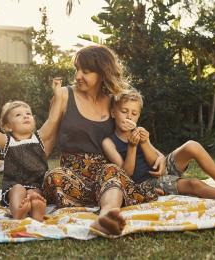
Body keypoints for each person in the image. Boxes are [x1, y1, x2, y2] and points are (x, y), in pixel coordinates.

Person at [42, 45, 164, 235]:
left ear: (102, 73)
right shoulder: (64, 95)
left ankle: (106, 216)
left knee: (112, 171)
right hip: (71, 179)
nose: (77, 76)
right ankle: (120, 196)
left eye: (86, 71)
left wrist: (159, 155)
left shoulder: (114, 102)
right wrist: (28, 177)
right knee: (53, 175)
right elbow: (47, 141)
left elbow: (132, 134)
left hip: (106, 176)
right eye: (77, 69)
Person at [102, 88, 215, 200]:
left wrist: (147, 143)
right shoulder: (109, 142)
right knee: (194, 184)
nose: (129, 116)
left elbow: (157, 158)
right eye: (124, 111)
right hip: (146, 181)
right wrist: (133, 147)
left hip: (159, 169)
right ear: (112, 113)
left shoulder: (139, 132)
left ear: (139, 116)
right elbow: (126, 175)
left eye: (134, 113)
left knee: (192, 145)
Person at [0, 78, 63, 222]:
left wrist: (58, 95)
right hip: (13, 184)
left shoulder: (39, 137)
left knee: (34, 193)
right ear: (7, 126)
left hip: (37, 183)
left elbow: (53, 119)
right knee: (17, 190)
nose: (25, 116)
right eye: (18, 115)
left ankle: (36, 209)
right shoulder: (7, 141)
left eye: (28, 114)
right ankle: (18, 210)